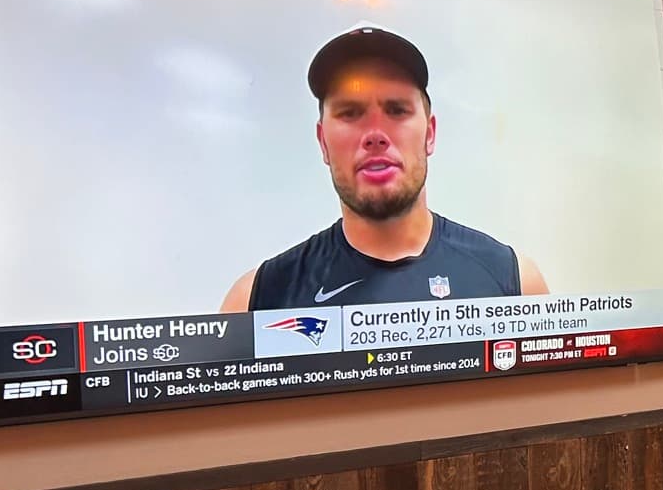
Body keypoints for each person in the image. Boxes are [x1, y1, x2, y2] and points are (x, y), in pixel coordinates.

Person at [222, 28, 547, 312]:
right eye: (350, 113)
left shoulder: (515, 286)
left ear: (430, 134)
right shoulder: (255, 302)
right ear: (323, 141)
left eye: (396, 110)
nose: (375, 134)